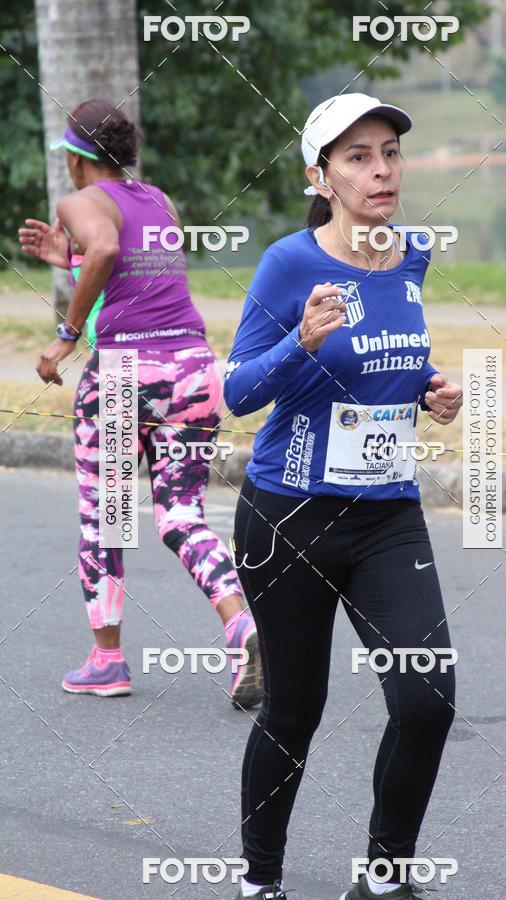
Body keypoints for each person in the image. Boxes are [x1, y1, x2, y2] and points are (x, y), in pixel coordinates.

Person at [223, 94, 463, 899]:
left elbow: (389, 362)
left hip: (388, 515)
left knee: (426, 699)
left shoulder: (415, 255)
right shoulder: (290, 264)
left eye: (390, 151)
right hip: (288, 515)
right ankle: (261, 882)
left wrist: (429, 389)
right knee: (295, 712)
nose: (382, 170)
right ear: (319, 177)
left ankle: (385, 878)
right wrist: (300, 342)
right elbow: (237, 392)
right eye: (358, 156)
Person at [19, 99, 262, 708]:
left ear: (77, 159)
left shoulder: (78, 202)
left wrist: (65, 336)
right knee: (181, 516)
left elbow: (103, 251)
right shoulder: (159, 201)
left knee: (107, 514)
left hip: (127, 370)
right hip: (193, 366)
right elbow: (132, 279)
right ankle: (241, 627)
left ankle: (106, 661)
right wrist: (68, 259)